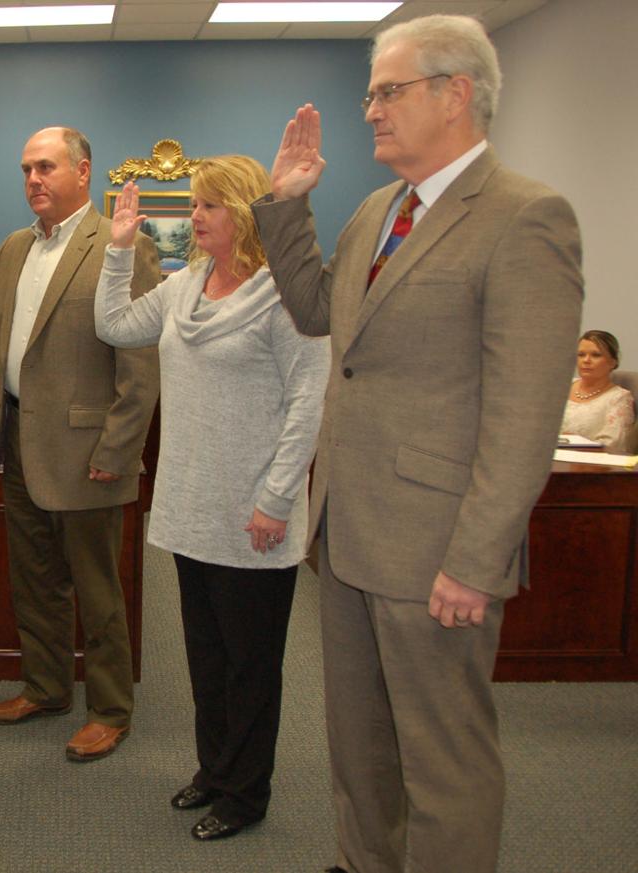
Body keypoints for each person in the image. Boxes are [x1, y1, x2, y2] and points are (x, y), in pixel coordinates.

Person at [252, 15, 583, 873]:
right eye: (370, 93)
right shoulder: (377, 210)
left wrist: (477, 559)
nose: (370, 112)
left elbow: (524, 415)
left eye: (387, 92)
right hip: (353, 532)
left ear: (456, 93)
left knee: (444, 762)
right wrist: (287, 204)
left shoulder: (525, 217)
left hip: (439, 549)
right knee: (360, 746)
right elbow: (319, 313)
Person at [96, 157, 329, 840]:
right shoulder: (185, 285)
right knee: (205, 653)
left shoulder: (290, 295)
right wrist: (117, 248)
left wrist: (278, 500)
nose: (195, 217)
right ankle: (214, 767)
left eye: (210, 206)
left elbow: (308, 404)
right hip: (190, 506)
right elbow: (114, 323)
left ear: (247, 213)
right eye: (194, 206)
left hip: (254, 513)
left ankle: (246, 791)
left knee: (250, 663)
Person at [0, 126, 160, 761]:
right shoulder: (13, 247)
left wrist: (117, 454)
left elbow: (140, 369)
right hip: (16, 442)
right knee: (34, 582)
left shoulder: (122, 247)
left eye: (47, 167)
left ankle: (111, 709)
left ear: (84, 172)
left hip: (88, 454)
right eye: (27, 169)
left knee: (97, 590)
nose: (33, 179)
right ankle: (46, 686)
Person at [561, 330, 635, 453]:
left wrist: (573, 441)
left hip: (588, 467)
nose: (586, 360)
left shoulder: (619, 398)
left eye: (596, 355)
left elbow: (612, 445)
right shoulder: (562, 388)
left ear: (613, 362)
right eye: (581, 354)